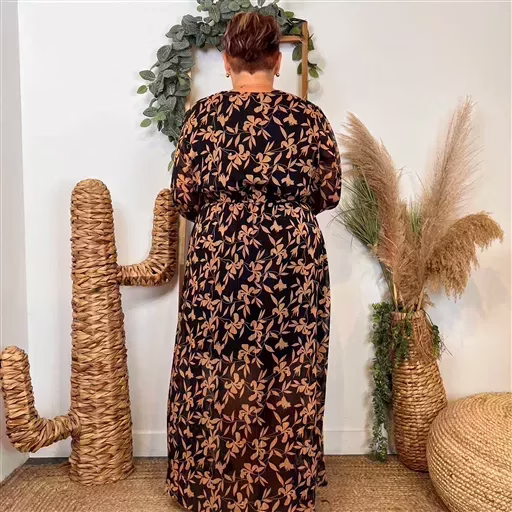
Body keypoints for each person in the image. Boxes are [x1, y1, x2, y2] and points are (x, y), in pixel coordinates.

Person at [166, 11, 341, 512]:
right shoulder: (309, 119)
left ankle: (211, 487)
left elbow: (184, 195)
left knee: (213, 365)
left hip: (219, 258)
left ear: (227, 62)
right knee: (287, 367)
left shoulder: (203, 118)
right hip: (291, 260)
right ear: (277, 61)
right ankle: (280, 486)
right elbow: (328, 193)